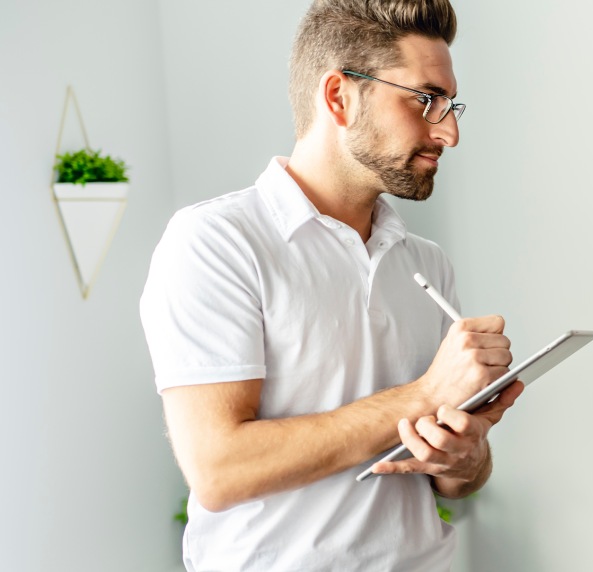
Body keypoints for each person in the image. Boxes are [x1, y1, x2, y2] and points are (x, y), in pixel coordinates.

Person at [139, 1, 523, 570]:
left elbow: (459, 483)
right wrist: (422, 396)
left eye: (450, 104)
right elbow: (219, 469)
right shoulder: (216, 242)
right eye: (425, 100)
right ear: (339, 97)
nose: (449, 132)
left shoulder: (426, 263)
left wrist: (461, 456)